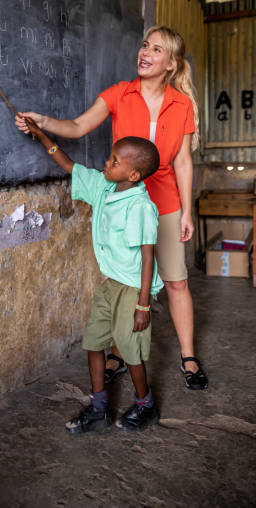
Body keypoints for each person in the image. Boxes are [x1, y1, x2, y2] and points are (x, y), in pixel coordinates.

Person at [16, 26, 208, 390]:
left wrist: (185, 211)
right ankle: (119, 354)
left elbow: (183, 161)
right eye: (144, 45)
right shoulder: (120, 94)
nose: (145, 53)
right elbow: (76, 127)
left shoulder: (181, 104)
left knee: (177, 282)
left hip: (164, 202)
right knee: (122, 282)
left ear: (171, 64)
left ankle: (188, 355)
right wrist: (42, 122)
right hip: (122, 204)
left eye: (156, 50)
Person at [24, 116, 163, 432]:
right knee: (93, 342)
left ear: (133, 174)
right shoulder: (105, 185)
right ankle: (98, 406)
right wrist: (41, 135)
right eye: (110, 157)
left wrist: (143, 305)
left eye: (114, 160)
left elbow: (147, 256)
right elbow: (70, 166)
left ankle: (146, 404)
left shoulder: (139, 205)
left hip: (133, 288)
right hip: (111, 284)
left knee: (131, 352)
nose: (106, 162)